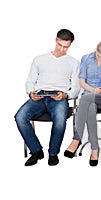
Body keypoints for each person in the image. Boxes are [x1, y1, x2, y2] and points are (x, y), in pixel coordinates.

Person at [15, 29, 80, 166]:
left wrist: (65, 95)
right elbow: (30, 81)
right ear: (56, 40)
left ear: (70, 45)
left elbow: (76, 88)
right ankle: (36, 150)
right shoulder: (39, 59)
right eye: (60, 45)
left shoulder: (73, 63)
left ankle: (53, 153)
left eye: (66, 47)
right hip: (39, 95)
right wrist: (31, 92)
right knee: (19, 116)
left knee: (60, 120)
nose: (62, 49)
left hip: (59, 97)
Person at [64, 39, 101, 167]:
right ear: (96, 49)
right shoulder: (86, 58)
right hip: (88, 97)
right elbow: (82, 82)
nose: (100, 58)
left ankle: (76, 138)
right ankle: (95, 148)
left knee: (84, 100)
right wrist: (93, 90)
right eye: (99, 55)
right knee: (90, 107)